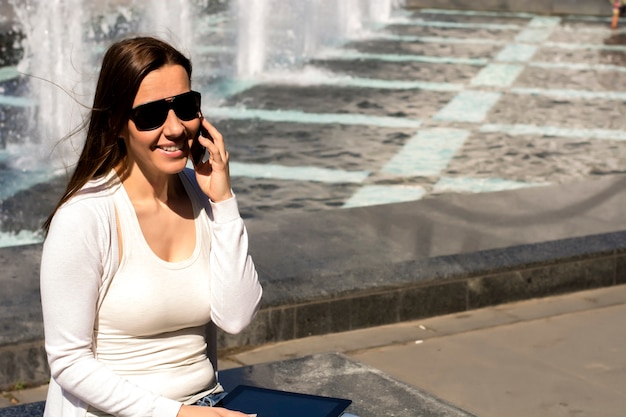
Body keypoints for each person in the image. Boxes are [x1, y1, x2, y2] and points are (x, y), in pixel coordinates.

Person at [39, 36, 263, 417]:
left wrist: (224, 203)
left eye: (185, 107)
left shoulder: (203, 198)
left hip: (208, 403)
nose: (175, 128)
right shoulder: (86, 216)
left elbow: (237, 318)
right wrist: (177, 415)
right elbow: (68, 362)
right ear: (116, 123)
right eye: (151, 114)